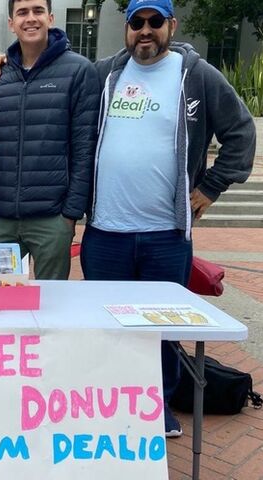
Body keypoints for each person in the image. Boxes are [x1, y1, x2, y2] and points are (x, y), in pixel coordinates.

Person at [80, 0, 256, 437]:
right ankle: (112, 402)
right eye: (136, 22)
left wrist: (211, 186)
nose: (145, 30)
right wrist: (7, 60)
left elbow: (242, 132)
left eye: (154, 22)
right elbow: (56, 68)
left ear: (170, 25)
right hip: (106, 231)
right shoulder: (105, 74)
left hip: (165, 233)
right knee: (106, 323)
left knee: (162, 327)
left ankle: (157, 407)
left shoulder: (196, 76)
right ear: (127, 28)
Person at [0, 0, 100, 280]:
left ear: (50, 17)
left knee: (50, 308)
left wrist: (70, 214)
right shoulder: (0, 80)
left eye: (37, 11)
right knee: (1, 306)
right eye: (22, 12)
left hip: (52, 218)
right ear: (11, 24)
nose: (30, 18)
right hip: (2, 218)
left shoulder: (78, 71)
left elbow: (85, 149)